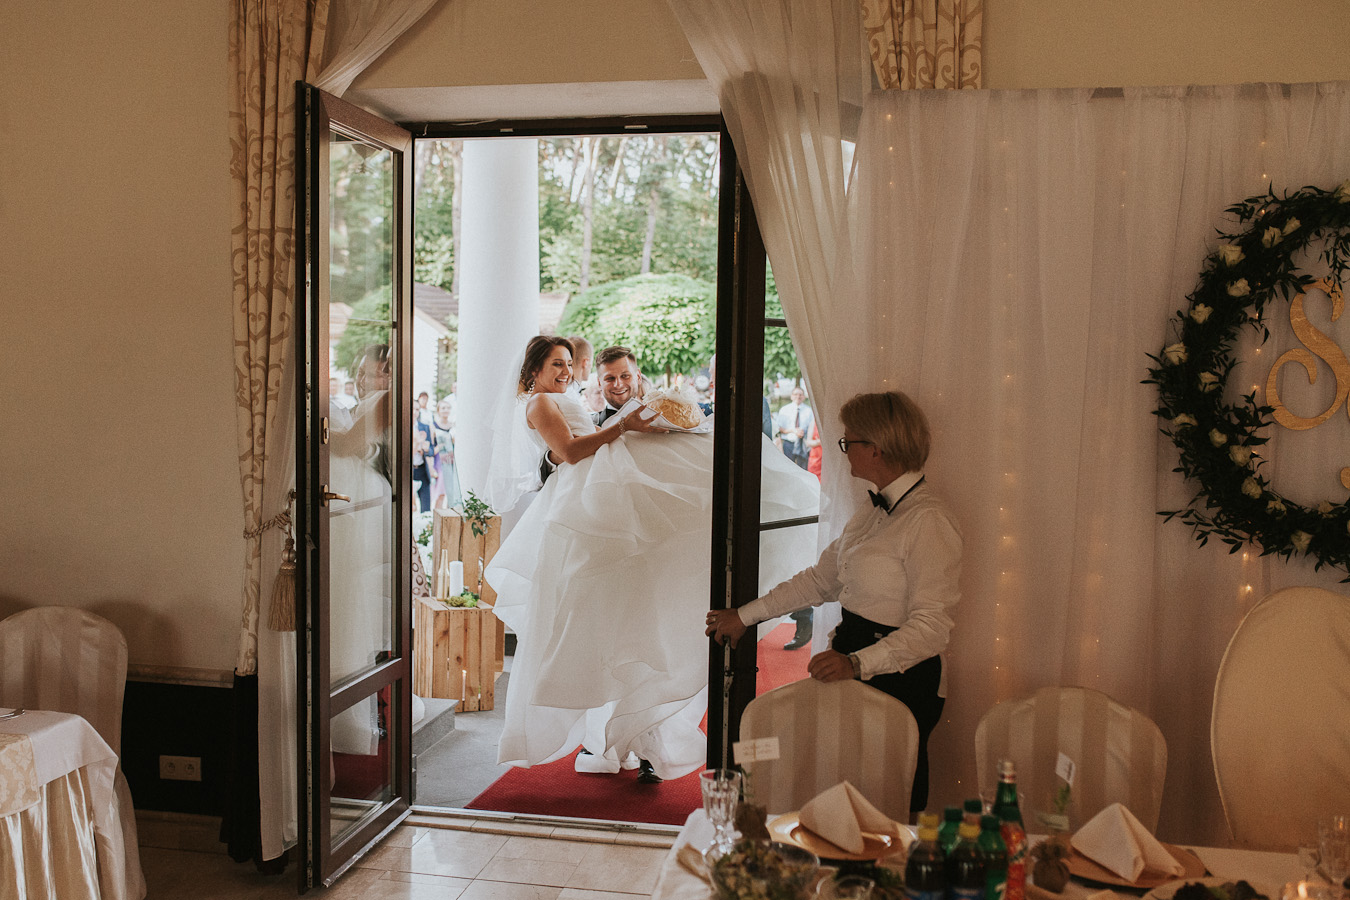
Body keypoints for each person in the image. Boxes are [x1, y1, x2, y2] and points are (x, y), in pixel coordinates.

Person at [485, 336, 820, 785]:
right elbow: (569, 452)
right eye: (556, 365)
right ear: (534, 372)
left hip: (593, 485)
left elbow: (564, 448)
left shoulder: (557, 398)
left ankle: (630, 735)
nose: (565, 371)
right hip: (585, 494)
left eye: (567, 363)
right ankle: (623, 733)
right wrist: (625, 427)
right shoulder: (540, 401)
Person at [705, 390, 962, 813]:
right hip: (849, 657)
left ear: (876, 449)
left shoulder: (929, 521)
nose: (842, 450)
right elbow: (819, 581)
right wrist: (744, 617)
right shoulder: (871, 511)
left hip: (902, 677)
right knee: (835, 795)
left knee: (884, 803)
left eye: (848, 441)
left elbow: (931, 629)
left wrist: (857, 663)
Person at [775, 387, 814, 469]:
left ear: (804, 397)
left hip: (803, 444)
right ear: (791, 396)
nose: (798, 397)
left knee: (802, 469)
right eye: (795, 394)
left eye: (800, 394)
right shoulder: (784, 410)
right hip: (789, 444)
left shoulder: (809, 411)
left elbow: (812, 428)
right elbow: (779, 428)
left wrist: (803, 433)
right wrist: (793, 431)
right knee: (788, 468)